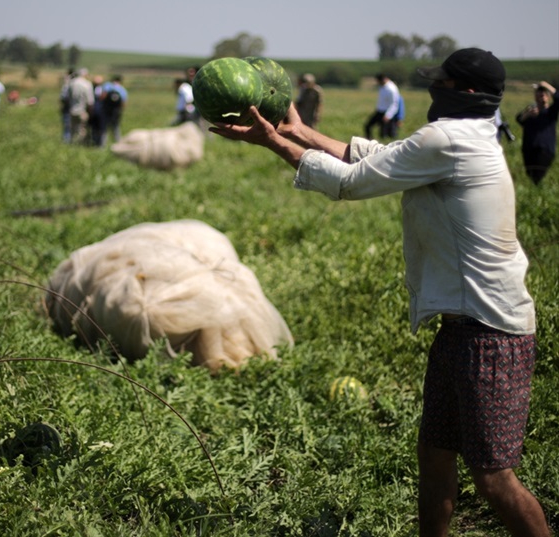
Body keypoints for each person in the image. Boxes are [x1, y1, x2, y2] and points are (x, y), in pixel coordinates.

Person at [209, 48, 549, 537]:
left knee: (494, 478)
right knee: (434, 454)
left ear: (468, 92)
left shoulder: (449, 138)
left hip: (490, 332)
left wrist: (273, 143)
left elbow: (353, 182)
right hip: (463, 328)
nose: (436, 90)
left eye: (445, 82)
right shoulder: (463, 134)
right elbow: (379, 158)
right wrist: (299, 132)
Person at [515, 81, 557, 185]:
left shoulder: (551, 112)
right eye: (539, 95)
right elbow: (519, 119)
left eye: (543, 94)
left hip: (545, 150)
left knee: (539, 177)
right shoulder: (530, 111)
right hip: (528, 150)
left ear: (548, 97)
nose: (541, 97)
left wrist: (546, 85)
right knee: (531, 177)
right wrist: (528, 114)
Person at [364, 73, 401, 140]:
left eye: (378, 81)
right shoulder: (382, 86)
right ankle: (369, 141)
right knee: (367, 126)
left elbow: (394, 104)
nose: (378, 83)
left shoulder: (391, 89)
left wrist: (388, 115)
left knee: (385, 134)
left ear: (383, 80)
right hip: (379, 111)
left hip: (387, 113)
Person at [67, 68, 94, 145]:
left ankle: (71, 143)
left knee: (72, 129)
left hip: (72, 109)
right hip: (82, 110)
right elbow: (90, 101)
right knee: (82, 130)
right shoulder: (87, 84)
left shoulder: (71, 83)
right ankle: (80, 145)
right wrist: (91, 111)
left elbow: (68, 97)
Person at [100, 75, 128, 146]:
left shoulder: (107, 86)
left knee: (104, 129)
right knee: (116, 128)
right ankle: (118, 144)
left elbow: (102, 97)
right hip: (116, 112)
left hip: (106, 111)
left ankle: (103, 145)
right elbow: (123, 103)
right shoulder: (122, 89)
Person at [59, 67, 74, 144]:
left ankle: (67, 141)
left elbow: (63, 97)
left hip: (68, 108)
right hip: (74, 108)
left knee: (67, 126)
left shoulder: (67, 85)